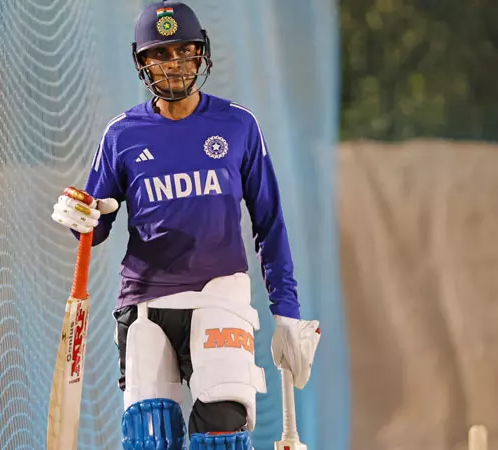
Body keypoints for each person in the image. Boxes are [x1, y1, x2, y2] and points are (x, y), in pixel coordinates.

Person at [51, 1, 321, 449]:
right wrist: (80, 219)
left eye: (183, 50)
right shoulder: (122, 134)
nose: (173, 63)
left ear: (201, 53)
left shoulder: (238, 125)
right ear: (141, 61)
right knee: (150, 437)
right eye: (159, 53)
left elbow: (269, 223)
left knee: (222, 433)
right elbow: (93, 228)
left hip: (221, 297)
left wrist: (286, 311)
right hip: (144, 304)